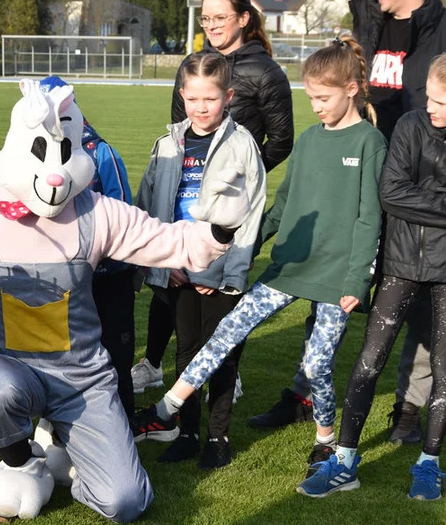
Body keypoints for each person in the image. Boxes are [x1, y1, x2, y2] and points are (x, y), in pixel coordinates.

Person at [0, 79, 251, 522]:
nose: (54, 176)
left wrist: (219, 231)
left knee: (126, 502)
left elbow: (164, 239)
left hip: (81, 376)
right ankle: (21, 462)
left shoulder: (96, 210)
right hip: (6, 364)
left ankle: (65, 442)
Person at [254, 0, 446, 445]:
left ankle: (407, 408)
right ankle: (304, 393)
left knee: (420, 303)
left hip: (420, 195)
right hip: (357, 179)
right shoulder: (365, 24)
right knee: (327, 290)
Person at [134, 37, 385, 480]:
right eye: (311, 98)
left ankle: (326, 439)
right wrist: (236, 250)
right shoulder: (308, 140)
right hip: (288, 268)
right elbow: (283, 203)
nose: (316, 107)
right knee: (227, 331)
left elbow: (370, 218)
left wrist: (358, 281)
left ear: (351, 89)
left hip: (335, 278)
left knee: (316, 365)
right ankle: (168, 408)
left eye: (323, 98)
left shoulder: (369, 143)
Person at [300, 46, 446, 500]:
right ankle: (344, 460)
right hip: (399, 263)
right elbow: (392, 195)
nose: (429, 107)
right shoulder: (412, 124)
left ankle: (429, 464)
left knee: (442, 367)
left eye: (439, 101)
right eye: (429, 97)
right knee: (368, 362)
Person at [132, 0, 293, 396]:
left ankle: (226, 372)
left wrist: (236, 179)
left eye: (221, 17)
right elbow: (177, 133)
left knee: (223, 298)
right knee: (171, 292)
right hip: (183, 209)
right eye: (206, 17)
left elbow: (281, 139)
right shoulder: (192, 63)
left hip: (228, 214)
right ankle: (152, 362)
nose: (212, 24)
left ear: (243, 19)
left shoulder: (264, 71)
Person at [135, 52, 267, 470]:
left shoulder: (243, 146)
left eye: (210, 99)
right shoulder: (166, 145)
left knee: (222, 352)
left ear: (228, 97)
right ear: (182, 96)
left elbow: (251, 217)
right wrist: (163, 260)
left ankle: (217, 437)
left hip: (219, 273)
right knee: (187, 351)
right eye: (193, 99)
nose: (201, 108)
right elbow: (149, 209)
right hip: (178, 270)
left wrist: (227, 274)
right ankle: (188, 433)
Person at [40, 75, 138, 418]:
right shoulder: (39, 155)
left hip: (107, 274)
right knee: (66, 355)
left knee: (115, 353)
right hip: (62, 276)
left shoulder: (100, 152)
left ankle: (125, 422)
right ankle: (71, 426)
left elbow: (122, 209)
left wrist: (103, 255)